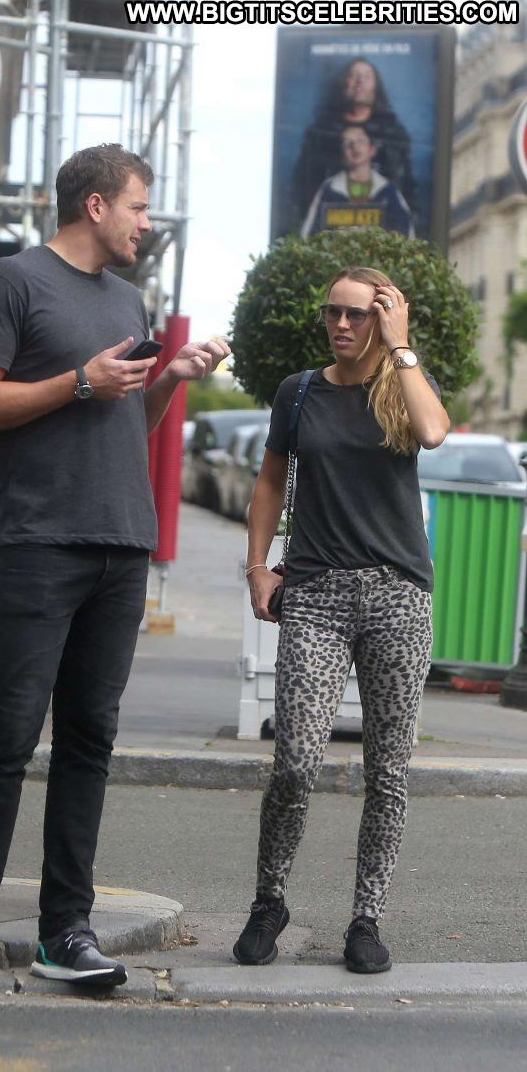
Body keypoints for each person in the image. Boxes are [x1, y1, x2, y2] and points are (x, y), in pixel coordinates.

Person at [0, 143, 230, 998]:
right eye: (139, 206)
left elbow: (125, 422)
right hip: (41, 545)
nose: (147, 223)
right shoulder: (13, 283)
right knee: (8, 739)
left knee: (88, 743)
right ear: (95, 205)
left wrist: (168, 380)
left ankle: (65, 933)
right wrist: (78, 380)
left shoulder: (126, 297)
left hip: (122, 546)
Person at [234, 267, 449, 973]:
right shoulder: (300, 392)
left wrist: (402, 345)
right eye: (334, 312)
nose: (343, 325)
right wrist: (258, 566)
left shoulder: (403, 383)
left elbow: (433, 431)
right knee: (295, 762)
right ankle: (269, 900)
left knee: (388, 772)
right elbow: (271, 479)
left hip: (398, 597)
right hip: (317, 595)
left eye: (359, 314)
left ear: (384, 317)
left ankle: (367, 919)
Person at [285, 59, 415, 238]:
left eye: (366, 76)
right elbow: (301, 190)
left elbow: (408, 192)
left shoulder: (392, 134)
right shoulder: (321, 132)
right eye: (354, 75)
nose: (359, 82)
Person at [300, 124, 414, 238]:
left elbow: (406, 235)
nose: (354, 146)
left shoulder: (388, 190)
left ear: (372, 149)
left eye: (360, 140)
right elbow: (308, 235)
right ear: (342, 154)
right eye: (347, 143)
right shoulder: (329, 189)